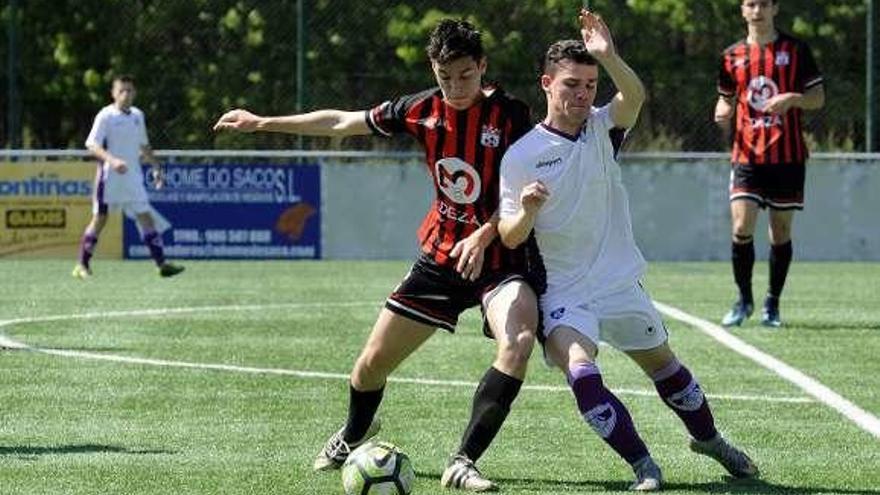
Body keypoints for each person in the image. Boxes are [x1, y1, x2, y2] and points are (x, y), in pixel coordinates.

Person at [214, 19, 544, 492]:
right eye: (444, 76)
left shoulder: (512, 116)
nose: (454, 86)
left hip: (502, 255)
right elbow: (342, 123)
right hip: (443, 257)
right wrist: (263, 122)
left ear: (483, 67)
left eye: (465, 75)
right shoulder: (420, 110)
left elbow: (528, 189)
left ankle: (464, 460)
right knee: (369, 368)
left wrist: (488, 233)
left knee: (518, 341)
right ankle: (355, 432)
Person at [498, 10, 758, 491]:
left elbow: (634, 96)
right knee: (582, 371)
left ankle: (711, 440)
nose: (582, 95)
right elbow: (511, 235)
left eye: (590, 85)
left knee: (668, 368)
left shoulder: (603, 129)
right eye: (572, 84)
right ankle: (644, 464)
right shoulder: (521, 155)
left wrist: (609, 57)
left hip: (618, 282)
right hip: (564, 293)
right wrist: (529, 210)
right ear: (546, 84)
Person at [715, 0, 825, 328]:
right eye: (751, 4)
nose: (757, 10)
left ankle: (771, 304)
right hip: (747, 155)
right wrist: (722, 111)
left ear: (775, 8)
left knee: (780, 232)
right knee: (740, 227)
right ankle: (743, 299)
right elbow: (725, 98)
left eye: (763, 3)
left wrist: (793, 99)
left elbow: (818, 98)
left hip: (788, 158)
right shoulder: (731, 56)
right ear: (743, 10)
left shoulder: (796, 50)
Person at [74, 75, 184, 279]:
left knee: (146, 217)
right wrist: (112, 160)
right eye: (122, 90)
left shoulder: (137, 116)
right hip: (110, 179)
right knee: (100, 219)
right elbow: (92, 144)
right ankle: (82, 265)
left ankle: (162, 265)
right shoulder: (106, 116)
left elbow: (143, 145)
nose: (126, 94)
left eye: (130, 90)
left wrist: (156, 167)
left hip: (133, 178)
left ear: (135, 93)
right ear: (113, 93)